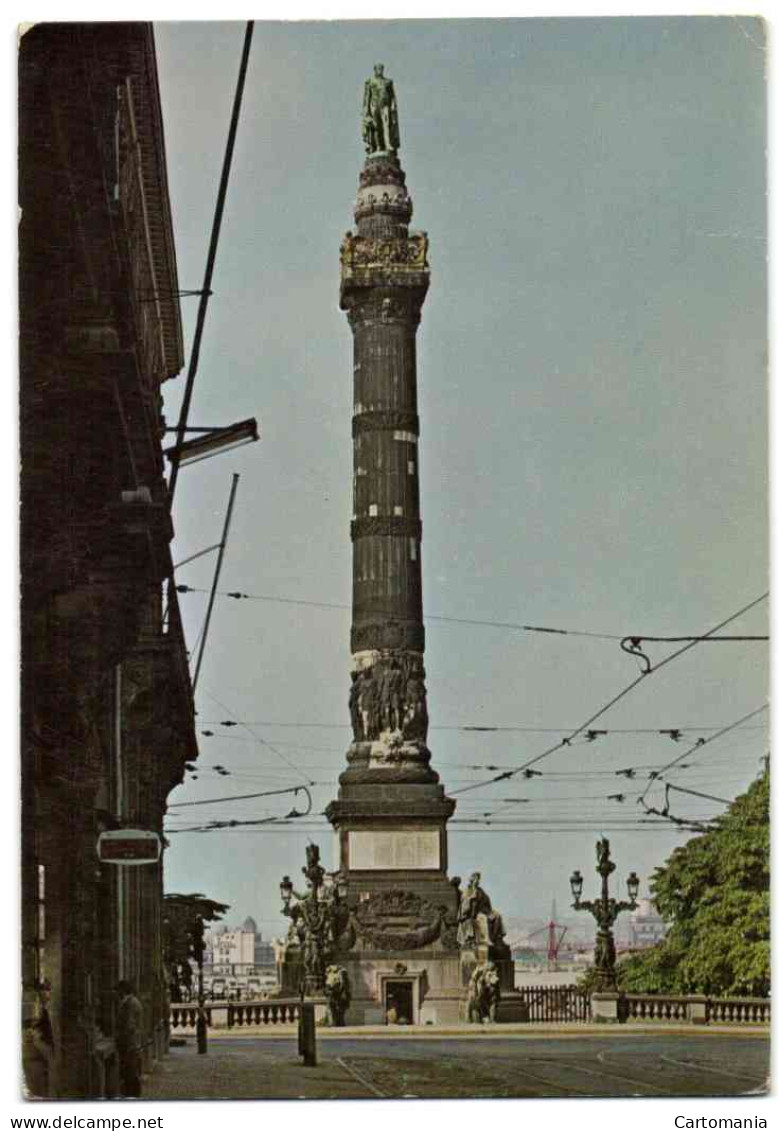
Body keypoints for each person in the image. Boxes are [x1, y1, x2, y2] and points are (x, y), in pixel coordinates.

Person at [116, 980, 143, 1098]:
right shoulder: (132, 1002)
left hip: (130, 1043)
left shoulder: (130, 1004)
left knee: (130, 1071)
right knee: (130, 1070)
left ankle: (132, 1095)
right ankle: (132, 1093)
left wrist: (123, 1039)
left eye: (118, 991)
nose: (117, 994)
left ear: (123, 991)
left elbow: (129, 1025)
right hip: (132, 1042)